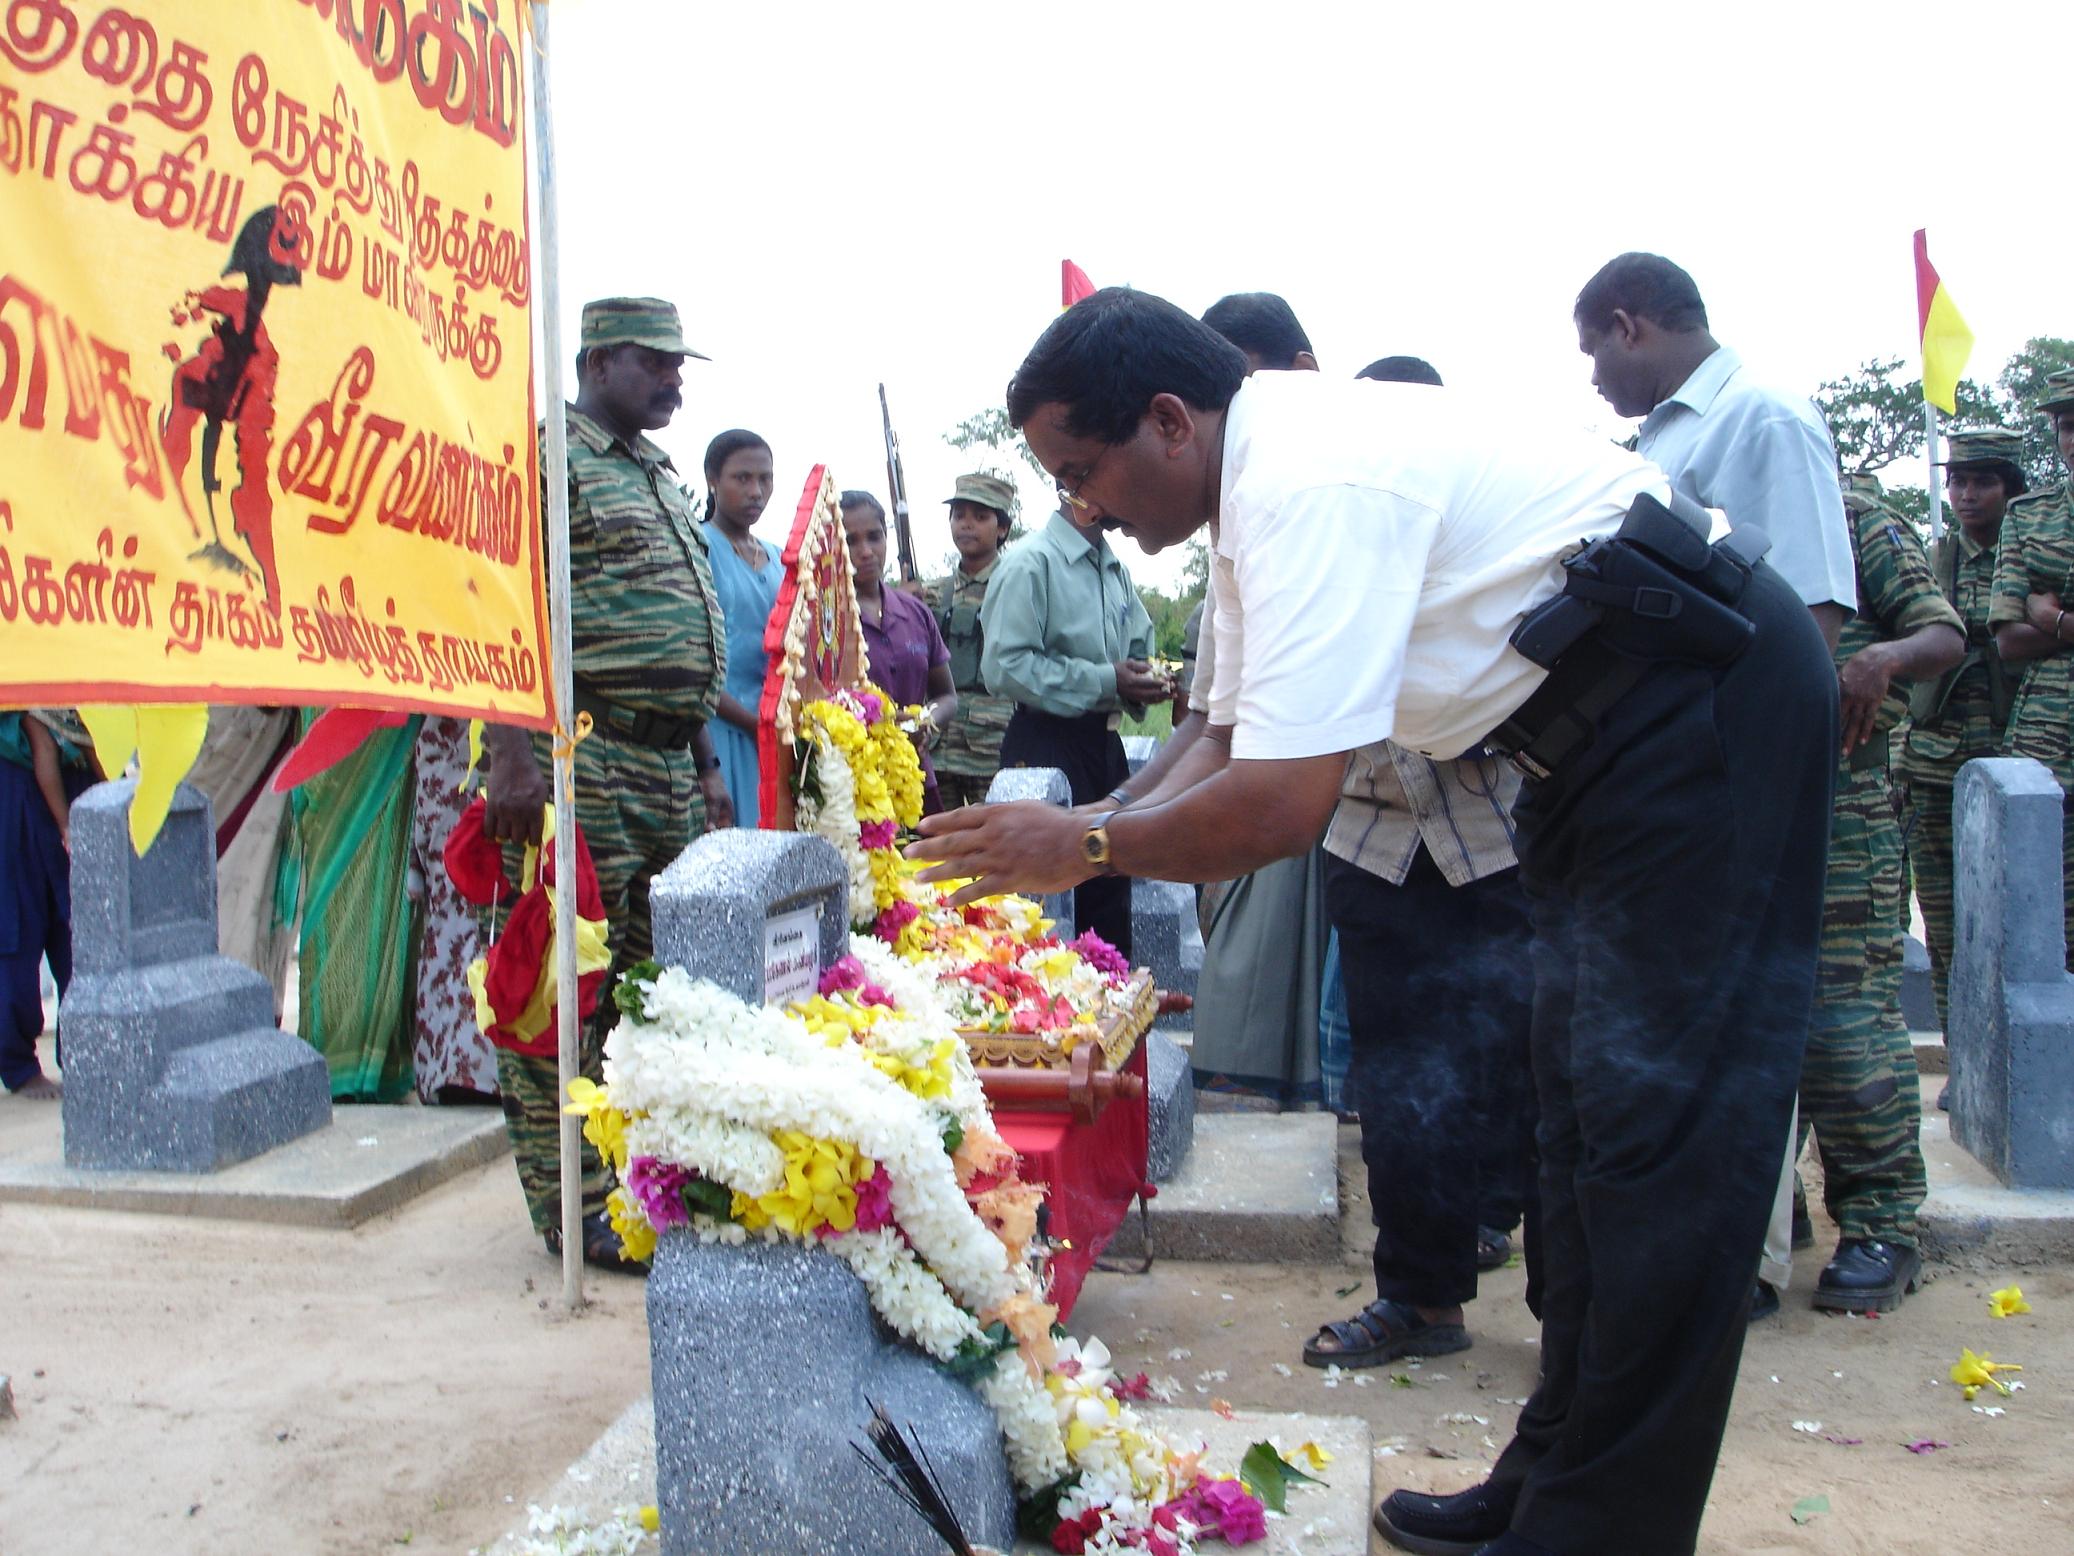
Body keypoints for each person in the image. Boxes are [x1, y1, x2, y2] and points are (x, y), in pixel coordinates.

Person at [911, 288, 1836, 1556]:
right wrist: (1086, 821)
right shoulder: (1249, 485)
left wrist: (1081, 844)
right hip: (1593, 743)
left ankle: (1601, 1529)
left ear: (1169, 421)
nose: (1085, 503)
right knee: (1578, 1118)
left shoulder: (1309, 478)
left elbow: (1280, 803)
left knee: (1660, 1137)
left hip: (1702, 709)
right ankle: (1552, 1475)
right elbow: (1222, 735)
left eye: (1082, 470)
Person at [1574, 251, 1855, 1318]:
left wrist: (1752, 772)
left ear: (1629, 323)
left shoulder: (1761, 419)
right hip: (1667, 767)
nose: (1593, 375)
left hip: (1732, 763)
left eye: (1593, 349)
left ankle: (1742, 1262)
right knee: (1679, 1018)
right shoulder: (1658, 439)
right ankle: (1696, 1243)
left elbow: (1808, 619)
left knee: (1735, 1012)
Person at [482, 297, 733, 1270]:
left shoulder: (658, 472)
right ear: (596, 361)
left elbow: (685, 627)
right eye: (654, 362)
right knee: (560, 988)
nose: (674, 380)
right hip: (579, 755)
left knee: (648, 991)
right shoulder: (549, 456)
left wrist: (705, 763)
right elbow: (502, 601)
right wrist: (509, 750)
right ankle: (573, 1208)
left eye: (680, 365)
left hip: (665, 764)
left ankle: (635, 1186)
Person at [1778, 474, 1962, 1316]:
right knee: (1744, 1017)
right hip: (1731, 808)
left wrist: (1879, 659)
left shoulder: (1852, 520)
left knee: (1843, 1023)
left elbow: (1942, 633)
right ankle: (1768, 1216)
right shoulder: (1699, 517)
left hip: (1843, 809)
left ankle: (1881, 1224)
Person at [979, 484, 1165, 959]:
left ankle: (1112, 1000)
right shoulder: (1029, 563)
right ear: (1079, 488)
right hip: (1046, 746)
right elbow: (1005, 667)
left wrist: (1147, 679)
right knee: (1046, 907)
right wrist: (1107, 679)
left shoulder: (1113, 568)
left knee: (1109, 891)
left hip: (1103, 746)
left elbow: (1136, 645)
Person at [1898, 430, 2027, 1027]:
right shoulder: (1931, 562)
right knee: (1946, 930)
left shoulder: (2034, 555)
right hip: (1933, 766)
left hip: (2020, 763)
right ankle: (1961, 1051)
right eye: (1958, 482)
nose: (1967, 495)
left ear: (2011, 489)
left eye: (1984, 482)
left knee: (2029, 924)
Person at [287, 710, 423, 1102]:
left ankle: (378, 1059)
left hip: (385, 708)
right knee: (332, 880)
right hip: (332, 707)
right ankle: (334, 1051)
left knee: (379, 871)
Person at [1990, 369, 2074, 967]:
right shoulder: (2031, 517)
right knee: (2050, 932)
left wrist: (2054, 617)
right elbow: (2008, 639)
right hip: (2050, 750)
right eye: (2067, 426)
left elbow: (2032, 626)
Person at [842, 491, 958, 813]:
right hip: (852, 791)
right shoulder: (824, 619)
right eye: (850, 541)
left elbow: (947, 696)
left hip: (915, 779)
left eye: (874, 537)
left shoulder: (916, 612)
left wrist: (925, 720)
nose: (866, 552)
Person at [2, 712, 94, 1100]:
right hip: (19, 791)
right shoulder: (34, 699)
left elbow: (96, 747)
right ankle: (19, 1066)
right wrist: (66, 825)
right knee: (18, 930)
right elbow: (43, 747)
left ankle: (84, 1055)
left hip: (74, 786)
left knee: (82, 932)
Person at [701, 429, 784, 827]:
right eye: (742, 478)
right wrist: (757, 724)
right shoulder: (697, 547)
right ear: (712, 480)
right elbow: (695, 659)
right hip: (718, 727)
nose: (756, 491)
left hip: (776, 734)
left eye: (765, 479)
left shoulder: (781, 559)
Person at [927, 474, 1019, 809]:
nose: (967, 525)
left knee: (996, 834)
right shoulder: (933, 593)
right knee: (935, 834)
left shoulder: (1017, 587)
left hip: (992, 744)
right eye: (959, 515)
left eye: (980, 517)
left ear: (1002, 528)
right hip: (938, 743)